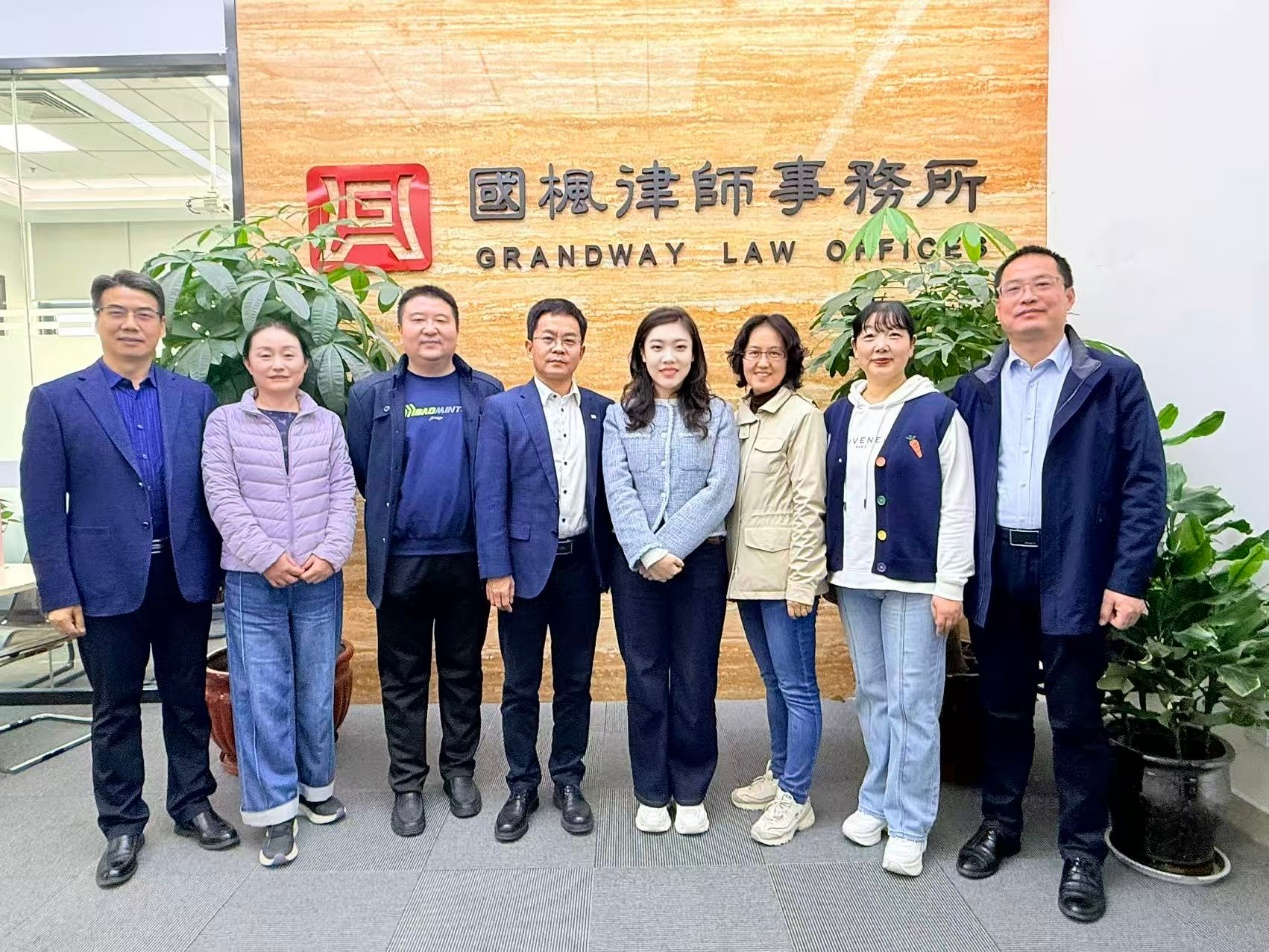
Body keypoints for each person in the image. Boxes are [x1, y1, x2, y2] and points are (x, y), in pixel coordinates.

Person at [949, 246, 1166, 922]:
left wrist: (1126, 578)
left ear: (1068, 297)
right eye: (1013, 288)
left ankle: (1082, 850)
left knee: (1075, 716)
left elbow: (1143, 483)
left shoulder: (1111, 379)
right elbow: (954, 489)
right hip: (998, 566)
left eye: (1041, 284)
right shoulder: (975, 387)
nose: (1027, 297)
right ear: (997, 308)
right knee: (1001, 708)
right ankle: (1000, 823)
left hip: (1074, 567)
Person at [20, 270, 238, 889]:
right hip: (103, 582)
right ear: (98, 320)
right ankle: (121, 824)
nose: (131, 324)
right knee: (114, 707)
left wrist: (221, 568)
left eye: (144, 313)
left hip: (182, 576)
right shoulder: (58, 400)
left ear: (161, 325)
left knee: (186, 699)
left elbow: (213, 489)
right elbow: (43, 505)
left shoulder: (193, 397)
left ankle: (192, 803)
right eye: (117, 312)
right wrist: (59, 591)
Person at [825, 300, 976, 877]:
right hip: (855, 580)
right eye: (869, 335)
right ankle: (876, 801)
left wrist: (950, 585)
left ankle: (910, 823)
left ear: (911, 345)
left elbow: (959, 504)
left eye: (893, 335)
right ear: (856, 348)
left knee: (914, 703)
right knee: (874, 695)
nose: (880, 345)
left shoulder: (937, 413)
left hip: (917, 583)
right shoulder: (840, 414)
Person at [347, 285, 503, 837]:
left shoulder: (485, 391)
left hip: (466, 558)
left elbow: (494, 472)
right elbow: (365, 471)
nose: (430, 328)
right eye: (418, 319)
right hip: (401, 560)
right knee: (402, 676)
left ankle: (459, 771)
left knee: (463, 671)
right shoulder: (371, 395)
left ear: (456, 328)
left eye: (441, 319)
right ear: (401, 329)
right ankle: (407, 783)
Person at [201, 318, 357, 867]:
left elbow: (343, 493)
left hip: (318, 578)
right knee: (262, 694)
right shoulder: (225, 423)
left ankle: (316, 788)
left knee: (315, 688)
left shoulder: (327, 424)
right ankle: (274, 811)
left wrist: (330, 554)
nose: (278, 363)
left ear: (305, 363)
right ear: (248, 363)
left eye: (288, 353)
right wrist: (266, 556)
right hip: (253, 580)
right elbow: (222, 496)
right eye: (265, 354)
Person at [475, 298, 613, 842]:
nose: (559, 348)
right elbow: (489, 495)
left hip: (581, 567)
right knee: (520, 684)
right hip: (522, 572)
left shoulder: (602, 410)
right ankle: (521, 785)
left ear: (582, 348)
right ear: (529, 344)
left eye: (569, 339)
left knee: (576, 682)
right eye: (549, 338)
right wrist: (496, 570)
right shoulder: (503, 409)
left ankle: (568, 779)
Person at [603, 306, 739, 836]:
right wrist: (646, 552)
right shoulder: (619, 415)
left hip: (700, 561)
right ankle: (652, 791)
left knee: (694, 673)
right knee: (644, 673)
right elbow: (617, 489)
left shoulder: (717, 413)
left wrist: (671, 548)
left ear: (694, 354)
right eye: (657, 346)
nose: (669, 357)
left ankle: (691, 787)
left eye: (680, 347)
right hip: (635, 564)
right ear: (642, 354)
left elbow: (720, 489)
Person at [724, 314, 828, 847]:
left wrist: (803, 582)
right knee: (773, 681)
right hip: (746, 574)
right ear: (740, 360)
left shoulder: (802, 417)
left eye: (774, 353)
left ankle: (796, 796)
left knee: (798, 687)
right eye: (753, 353)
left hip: (786, 577)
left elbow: (811, 504)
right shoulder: (736, 416)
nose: (762, 362)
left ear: (790, 361)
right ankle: (781, 769)